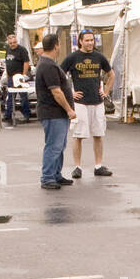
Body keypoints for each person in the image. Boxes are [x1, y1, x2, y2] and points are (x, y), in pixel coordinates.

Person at [61, 30, 114, 177]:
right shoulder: (72, 57)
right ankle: (77, 167)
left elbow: (111, 74)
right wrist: (70, 93)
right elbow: (60, 76)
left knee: (98, 134)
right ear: (80, 41)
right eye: (87, 40)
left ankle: (98, 166)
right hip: (80, 103)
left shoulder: (99, 57)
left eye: (92, 40)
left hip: (97, 102)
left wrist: (106, 91)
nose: (90, 43)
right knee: (78, 135)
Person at [35, 33, 76, 190]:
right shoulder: (49, 65)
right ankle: (47, 177)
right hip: (52, 112)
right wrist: (69, 109)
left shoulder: (46, 63)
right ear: (56, 45)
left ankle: (55, 174)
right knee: (54, 145)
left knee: (59, 145)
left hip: (55, 113)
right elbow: (56, 91)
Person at [2, 33, 33, 126]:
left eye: (14, 42)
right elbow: (7, 63)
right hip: (11, 77)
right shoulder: (8, 50)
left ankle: (26, 114)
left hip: (19, 76)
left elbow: (26, 62)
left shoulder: (22, 50)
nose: (13, 44)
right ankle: (8, 114)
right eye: (11, 43)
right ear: (8, 42)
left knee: (23, 96)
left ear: (17, 41)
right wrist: (7, 75)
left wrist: (23, 74)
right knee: (10, 96)